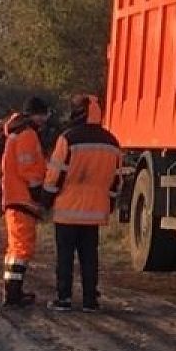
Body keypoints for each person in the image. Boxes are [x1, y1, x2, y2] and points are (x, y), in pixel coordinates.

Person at [42, 94, 122, 312]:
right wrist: (110, 204)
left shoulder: (68, 139)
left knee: (65, 257)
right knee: (90, 258)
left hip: (67, 210)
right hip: (95, 212)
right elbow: (116, 180)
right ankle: (90, 300)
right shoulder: (112, 142)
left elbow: (55, 175)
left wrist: (46, 201)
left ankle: (64, 298)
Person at [0, 96, 50, 307]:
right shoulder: (27, 134)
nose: (46, 119)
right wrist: (38, 191)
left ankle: (13, 291)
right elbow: (29, 167)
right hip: (22, 199)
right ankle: (13, 294)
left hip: (15, 198)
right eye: (45, 114)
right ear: (37, 114)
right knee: (21, 248)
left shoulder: (17, 133)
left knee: (15, 249)